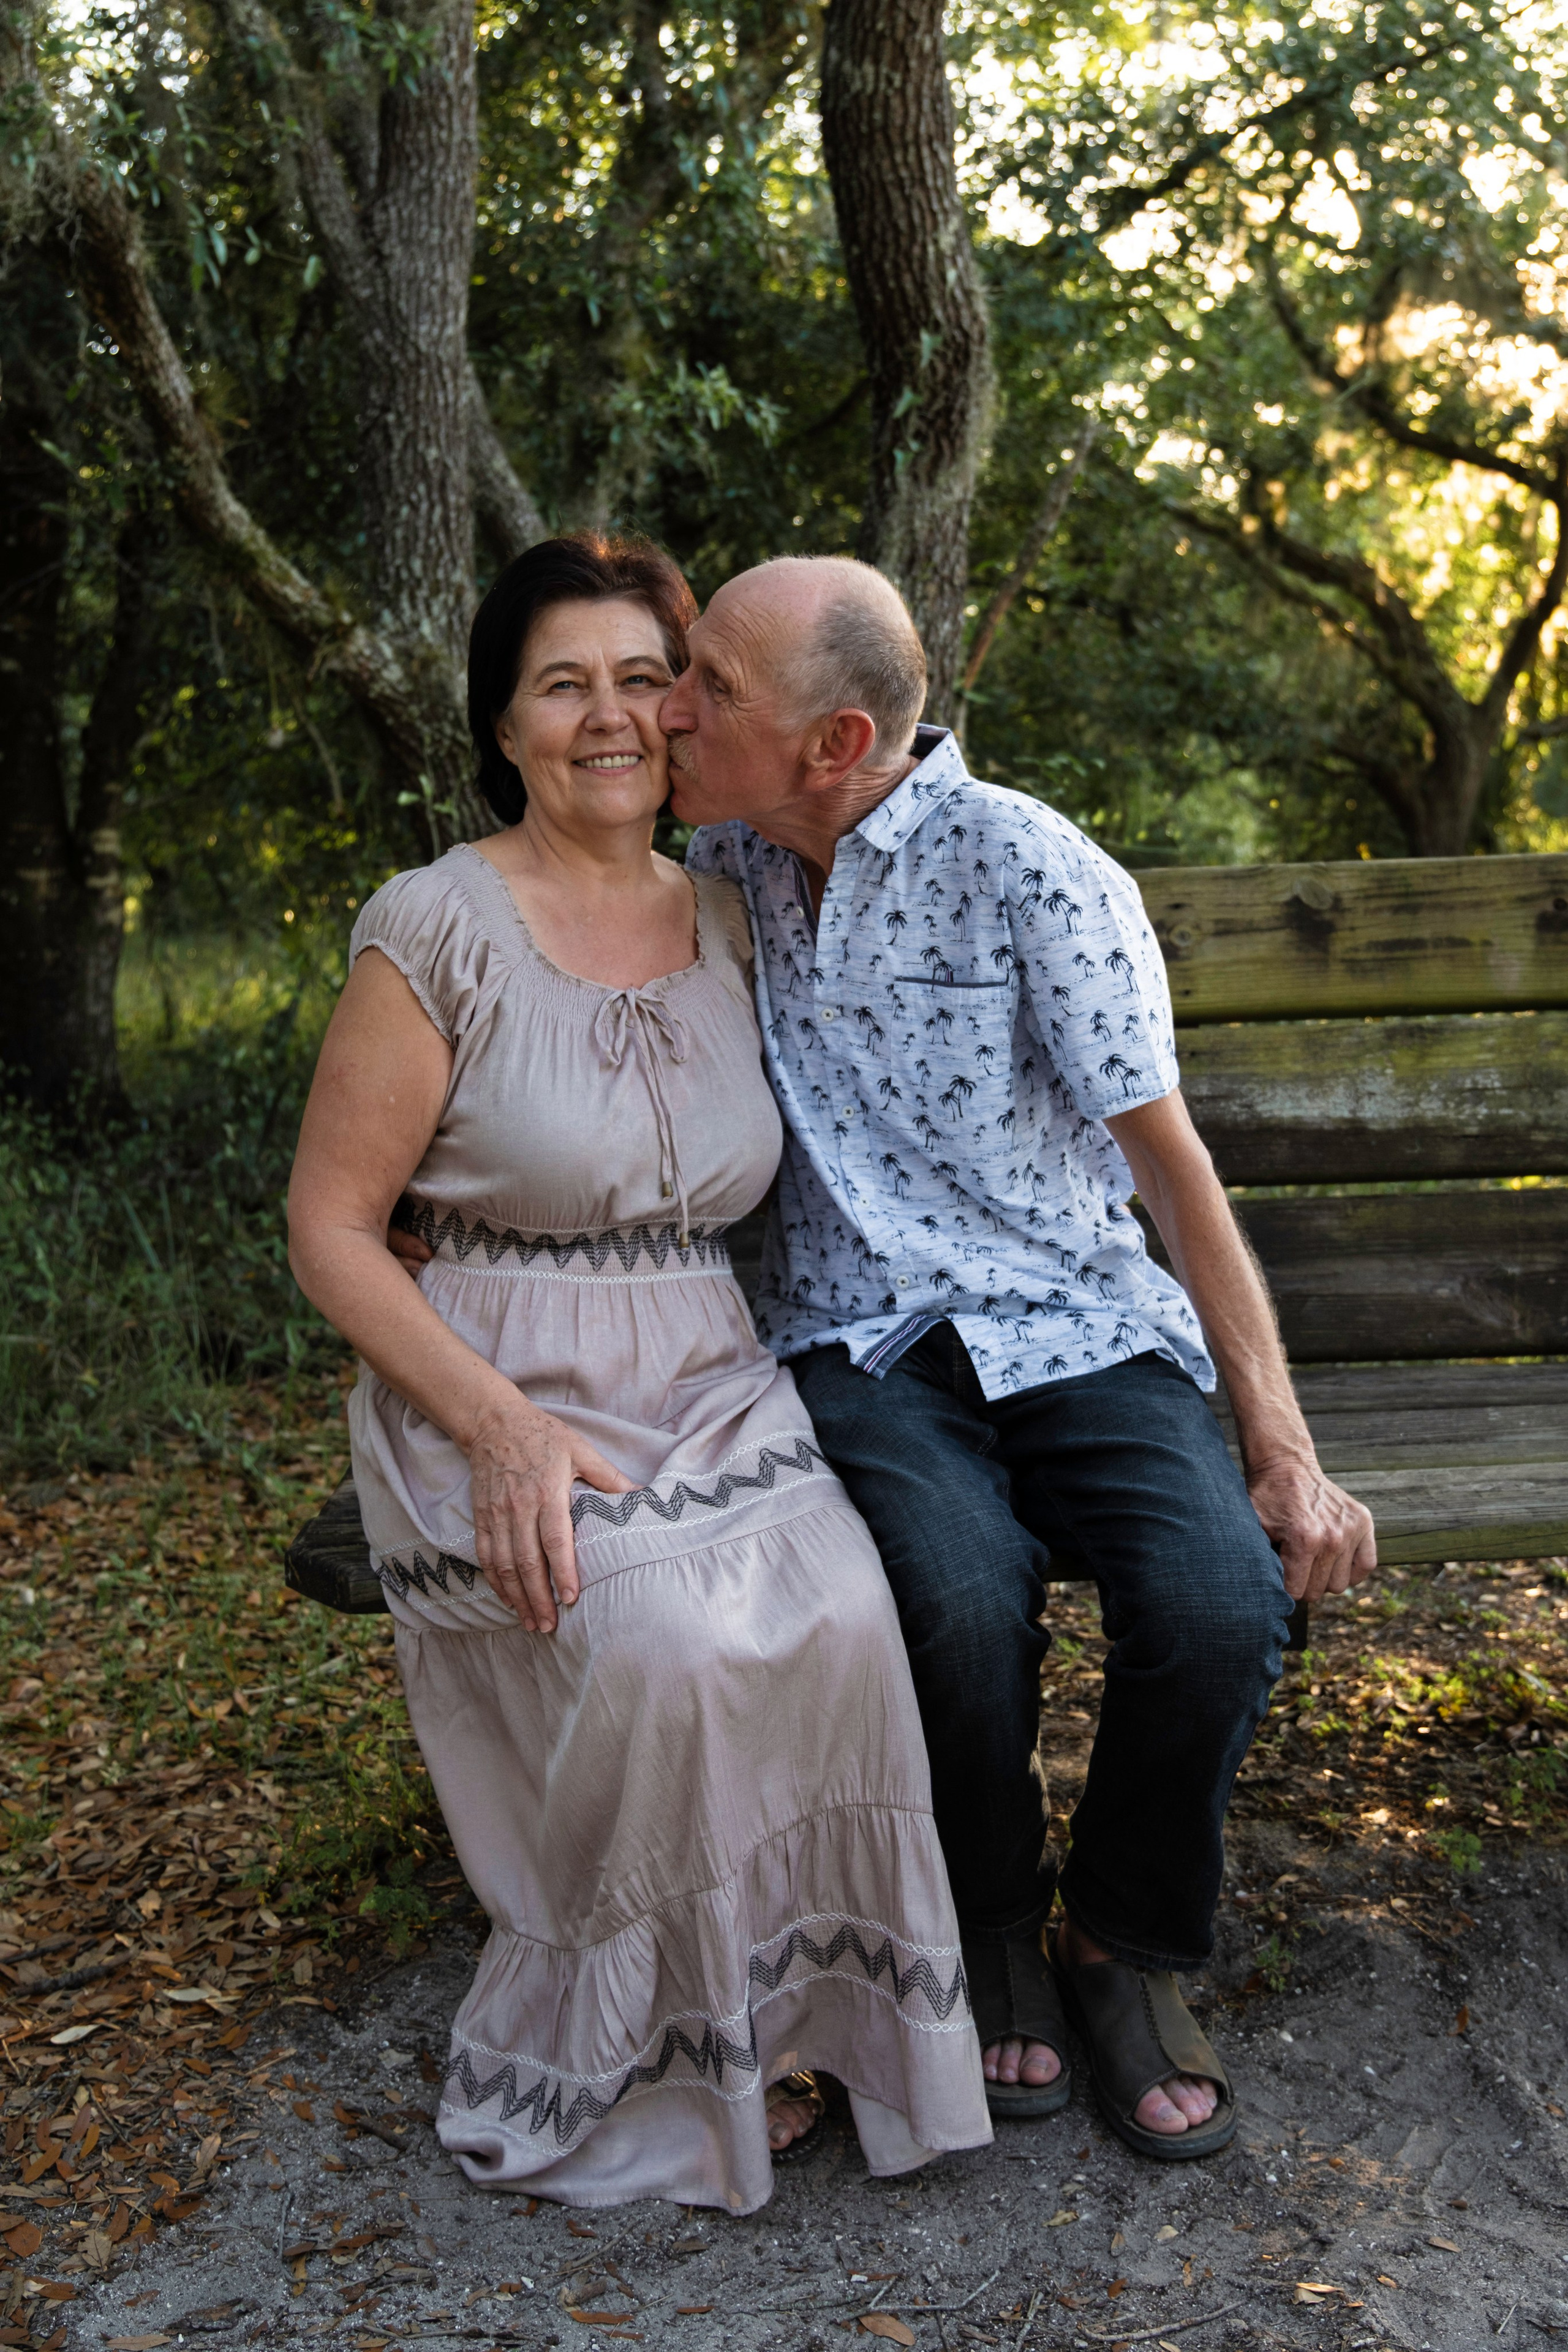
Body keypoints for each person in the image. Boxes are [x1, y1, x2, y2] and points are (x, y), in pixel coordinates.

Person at [286, 534, 992, 2216]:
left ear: (687, 706)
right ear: (506, 723)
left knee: (843, 1616)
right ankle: (661, 2051)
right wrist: (498, 1422)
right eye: (560, 683)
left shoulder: (741, 906)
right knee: (665, 1638)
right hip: (490, 1382)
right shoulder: (434, 925)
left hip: (709, 1366)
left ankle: (806, 2014)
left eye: (640, 676)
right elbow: (329, 1229)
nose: (609, 715)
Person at [649, 555, 1378, 2162]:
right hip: (861, 1337)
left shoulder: (1032, 868)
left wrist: (1280, 1446)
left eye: (712, 684)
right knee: (955, 1597)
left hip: (1079, 1321)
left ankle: (1120, 1939)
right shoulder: (723, 864)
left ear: (835, 743)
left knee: (1214, 1596)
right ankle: (983, 1922)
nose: (670, 706)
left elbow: (1172, 1170)